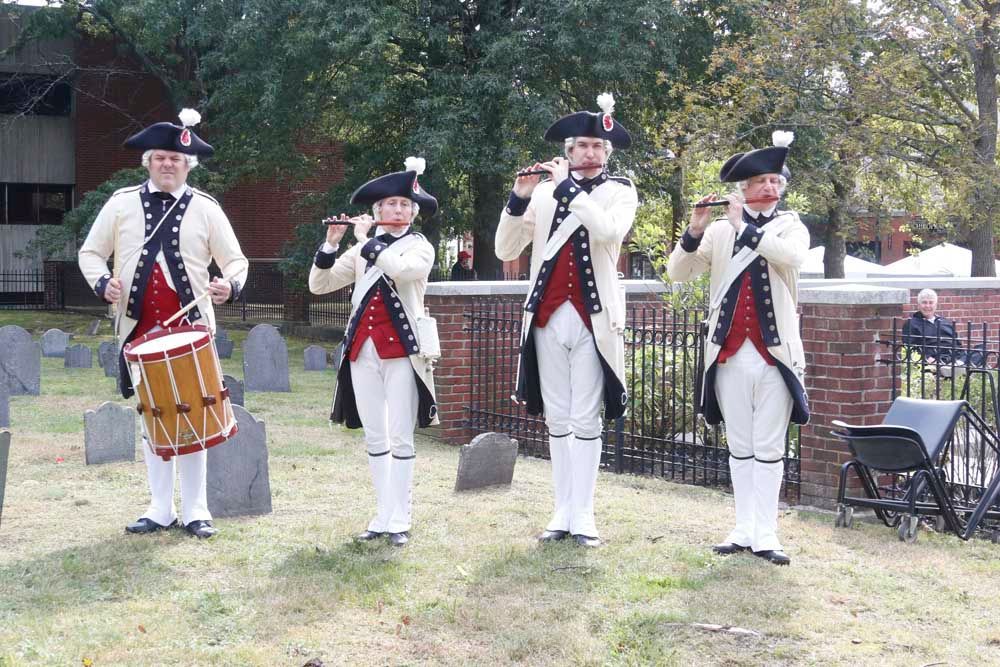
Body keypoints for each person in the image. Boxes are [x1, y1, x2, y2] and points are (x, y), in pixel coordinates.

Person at [78, 109, 249, 539]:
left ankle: (196, 510)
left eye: (176, 158)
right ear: (148, 162)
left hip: (191, 331)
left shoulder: (206, 208)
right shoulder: (120, 204)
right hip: (138, 331)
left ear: (188, 164)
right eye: (160, 158)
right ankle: (159, 508)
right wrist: (102, 283)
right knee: (151, 416)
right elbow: (90, 253)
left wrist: (230, 285)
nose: (168, 164)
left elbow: (236, 262)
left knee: (194, 415)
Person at [496, 93, 638, 548]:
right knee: (558, 416)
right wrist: (518, 199)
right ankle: (561, 510)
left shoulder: (621, 191)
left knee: (586, 417)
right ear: (568, 152)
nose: (589, 153)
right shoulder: (542, 191)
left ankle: (585, 512)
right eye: (581, 146)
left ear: (607, 152)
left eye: (597, 146)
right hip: (547, 316)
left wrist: (566, 191)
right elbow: (505, 249)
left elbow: (608, 231)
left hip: (594, 319)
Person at [666, 131, 809, 566]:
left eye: (776, 181)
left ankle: (767, 533)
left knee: (769, 447)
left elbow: (790, 257)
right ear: (743, 189)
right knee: (740, 445)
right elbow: (679, 272)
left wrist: (743, 227)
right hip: (727, 351)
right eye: (762, 181)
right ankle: (743, 526)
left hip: (775, 353)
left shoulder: (791, 225)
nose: (771, 188)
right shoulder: (721, 231)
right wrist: (695, 230)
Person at [310, 157, 438, 547]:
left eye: (402, 205)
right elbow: (319, 284)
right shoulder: (363, 248)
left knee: (401, 437)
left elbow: (400, 270)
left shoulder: (420, 247)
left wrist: (366, 241)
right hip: (362, 351)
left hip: (402, 352)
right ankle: (382, 515)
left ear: (412, 213)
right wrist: (331, 243)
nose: (395, 211)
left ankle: (401, 518)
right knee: (375, 438)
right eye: (388, 206)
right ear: (376, 211)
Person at [902, 288, 983, 367]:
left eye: (931, 303)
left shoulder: (945, 322)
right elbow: (910, 348)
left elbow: (958, 345)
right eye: (924, 302)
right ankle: (955, 368)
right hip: (936, 360)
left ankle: (959, 365)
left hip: (955, 358)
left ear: (936, 305)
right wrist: (927, 358)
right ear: (919, 305)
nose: (927, 306)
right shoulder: (912, 324)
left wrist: (962, 357)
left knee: (982, 349)